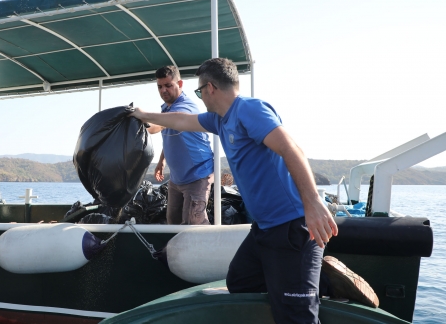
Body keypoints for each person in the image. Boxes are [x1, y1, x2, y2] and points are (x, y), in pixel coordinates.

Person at [131, 58, 378, 323]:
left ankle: (308, 283)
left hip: (291, 227)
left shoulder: (250, 110)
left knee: (296, 316)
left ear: (210, 88)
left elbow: (290, 149)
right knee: (240, 281)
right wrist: (142, 115)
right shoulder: (220, 120)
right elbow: (181, 120)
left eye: (199, 91)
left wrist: (314, 202)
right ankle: (322, 279)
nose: (200, 97)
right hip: (263, 229)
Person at [147, 66, 214, 225]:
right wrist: (161, 162)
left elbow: (159, 126)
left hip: (197, 176)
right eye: (160, 86)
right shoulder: (166, 109)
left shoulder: (185, 107)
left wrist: (142, 125)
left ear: (180, 84)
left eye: (168, 85)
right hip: (176, 179)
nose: (163, 90)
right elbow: (170, 136)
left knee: (193, 224)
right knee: (173, 224)